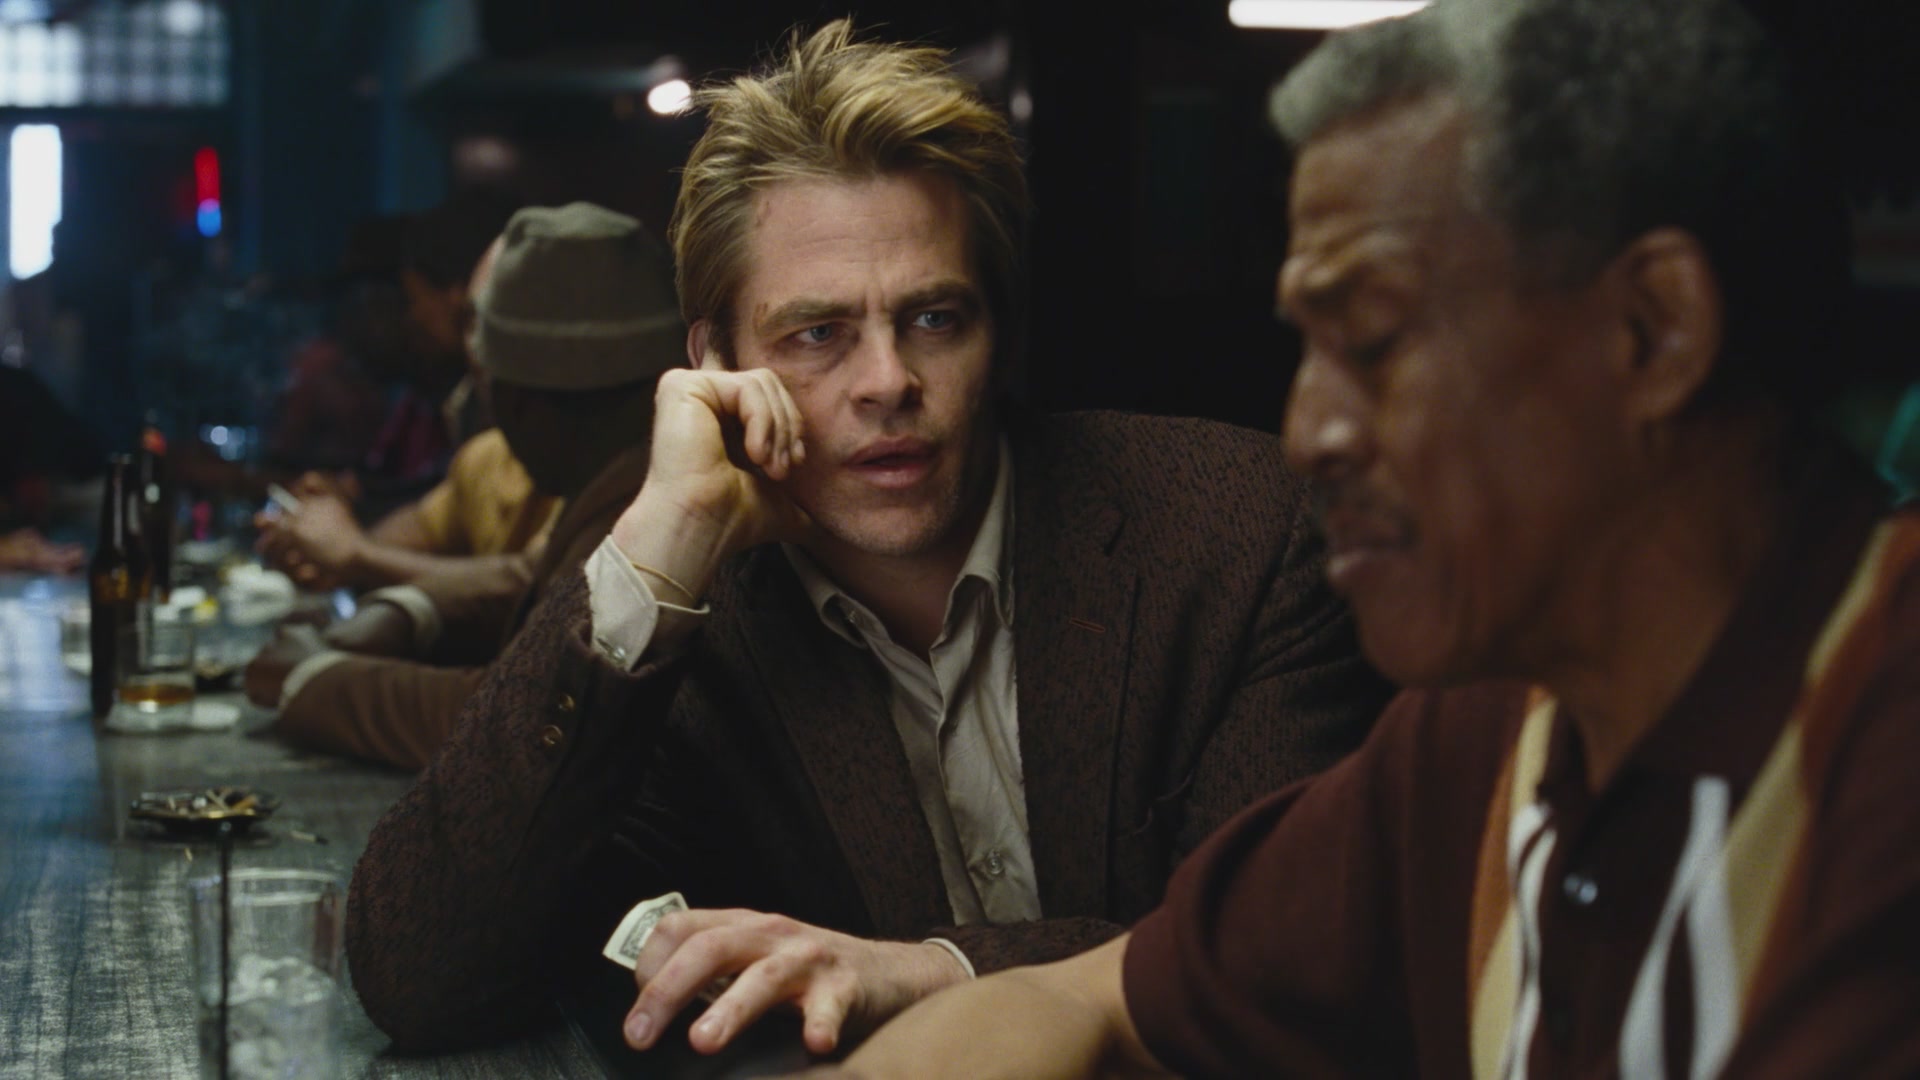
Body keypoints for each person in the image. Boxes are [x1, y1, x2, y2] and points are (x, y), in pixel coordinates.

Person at [828, 0, 1920, 1076]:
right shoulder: (1487, 733)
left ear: (1654, 329)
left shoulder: (1882, 737)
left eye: (1375, 338)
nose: (1309, 434)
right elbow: (1086, 997)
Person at [346, 19, 1392, 1060]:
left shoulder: (1242, 530)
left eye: (935, 319)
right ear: (717, 361)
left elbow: (1289, 949)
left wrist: (923, 971)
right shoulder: (687, 618)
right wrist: (663, 543)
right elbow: (417, 974)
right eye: (818, 334)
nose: (888, 380)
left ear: (999, 331)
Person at [242, 203, 680, 771]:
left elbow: (523, 723)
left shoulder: (660, 511)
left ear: (511, 400)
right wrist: (409, 613)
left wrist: (311, 677)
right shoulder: (639, 471)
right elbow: (527, 585)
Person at [255, 202, 555, 593]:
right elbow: (416, 528)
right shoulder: (485, 452)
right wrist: (326, 546)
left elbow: (533, 584)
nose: (480, 352)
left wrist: (353, 554)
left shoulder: (607, 460)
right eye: (473, 326)